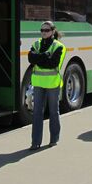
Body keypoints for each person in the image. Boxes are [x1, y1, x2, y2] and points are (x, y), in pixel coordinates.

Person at [28, 21, 66, 150]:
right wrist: (44, 56)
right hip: (38, 83)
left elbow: (53, 64)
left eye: (46, 30)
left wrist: (38, 59)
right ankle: (35, 142)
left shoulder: (58, 46)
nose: (44, 32)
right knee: (37, 112)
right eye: (42, 30)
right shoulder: (36, 43)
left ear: (52, 31)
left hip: (52, 83)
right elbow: (30, 59)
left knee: (53, 111)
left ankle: (54, 139)